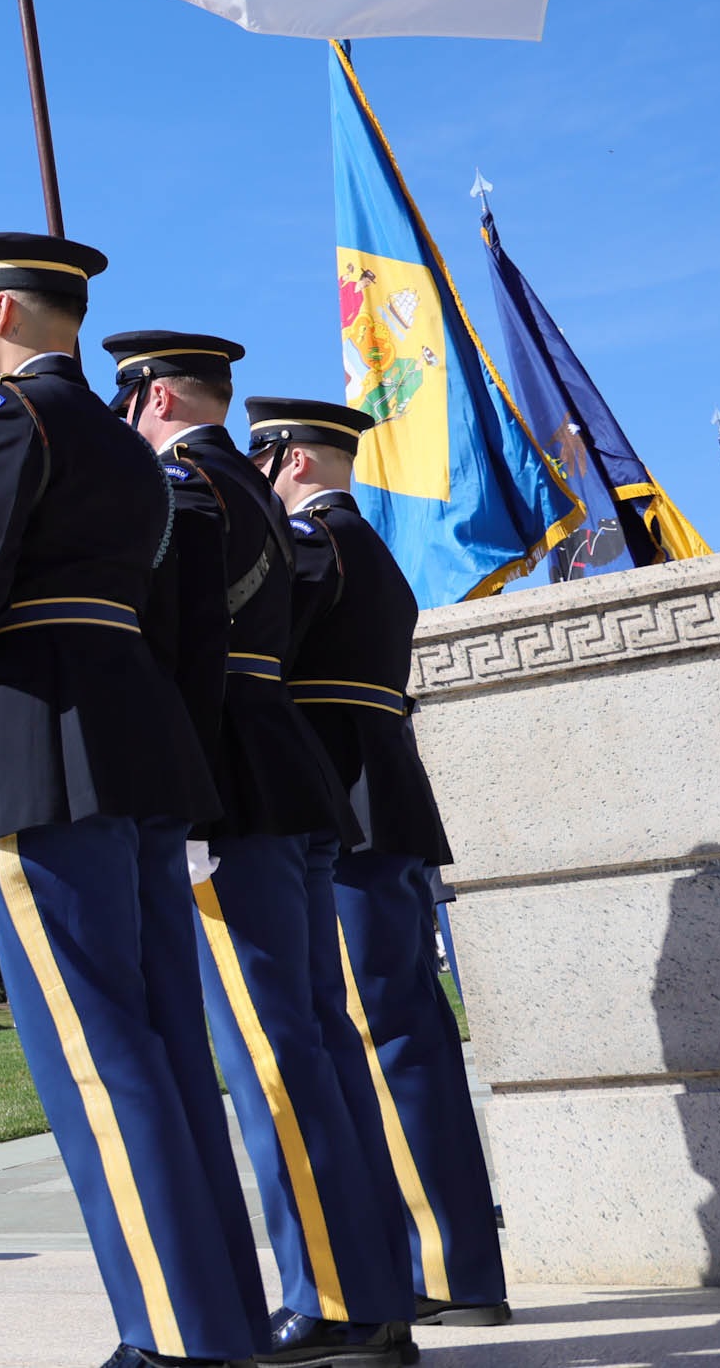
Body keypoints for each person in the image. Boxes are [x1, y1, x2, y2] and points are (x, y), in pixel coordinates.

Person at [0, 236, 269, 1368]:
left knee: (94, 1054)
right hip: (136, 752)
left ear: (1, 309)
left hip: (44, 744)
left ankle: (174, 1336)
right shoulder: (137, 458)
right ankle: (212, 1314)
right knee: (165, 1047)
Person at [107, 334, 415, 1366]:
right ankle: (370, 1287)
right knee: (315, 1044)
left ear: (150, 397)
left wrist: (183, 800)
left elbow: (183, 652)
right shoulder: (251, 490)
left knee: (273, 1053)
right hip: (291, 778)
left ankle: (335, 1300)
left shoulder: (186, 487)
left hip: (234, 788)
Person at [255, 397, 512, 1333]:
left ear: (287, 459)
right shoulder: (374, 550)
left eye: (263, 460)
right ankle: (460, 1264)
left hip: (344, 805)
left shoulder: (312, 547)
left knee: (379, 1035)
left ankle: (435, 1266)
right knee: (409, 1028)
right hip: (386, 801)